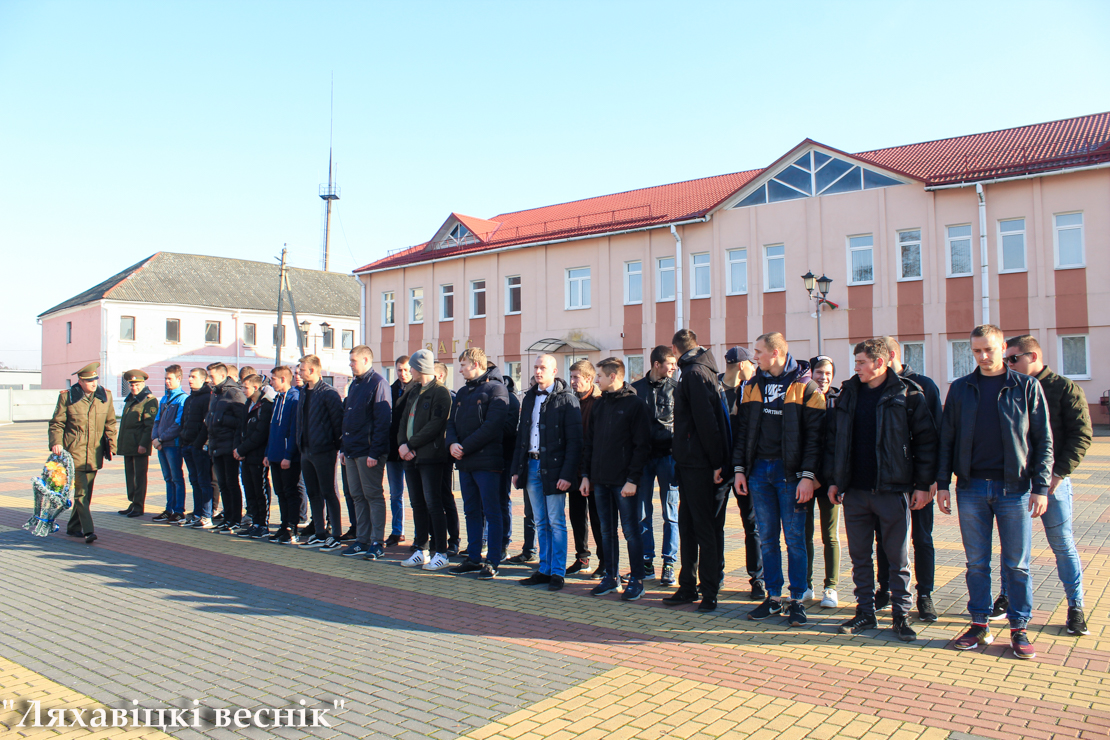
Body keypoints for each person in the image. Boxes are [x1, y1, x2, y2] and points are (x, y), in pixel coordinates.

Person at [937, 324, 1052, 660]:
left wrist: (1041, 487)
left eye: (989, 349)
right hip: (970, 487)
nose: (983, 356)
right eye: (976, 351)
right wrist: (942, 484)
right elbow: (947, 439)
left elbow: (1043, 441)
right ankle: (979, 624)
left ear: (1003, 348)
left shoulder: (1026, 387)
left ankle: (1019, 628)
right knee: (976, 563)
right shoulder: (961, 388)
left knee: (1017, 564)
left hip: (1014, 489)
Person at [826, 339, 937, 642]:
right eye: (856, 362)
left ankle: (901, 616)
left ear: (880, 362)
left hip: (893, 490)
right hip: (855, 491)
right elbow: (836, 440)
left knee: (897, 558)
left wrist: (922, 485)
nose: (856, 368)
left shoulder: (907, 393)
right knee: (860, 557)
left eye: (861, 362)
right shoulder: (849, 393)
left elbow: (926, 442)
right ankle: (865, 612)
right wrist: (835, 480)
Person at [1002, 335, 1093, 636]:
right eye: (1006, 359)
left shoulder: (1064, 388)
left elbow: (1081, 435)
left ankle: (1076, 606)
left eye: (1013, 359)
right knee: (1013, 547)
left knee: (1062, 544)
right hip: (1016, 483)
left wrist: (1058, 474)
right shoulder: (1011, 388)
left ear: (1033, 356)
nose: (1008, 364)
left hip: (1052, 483)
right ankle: (1006, 597)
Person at [734, 332, 825, 626]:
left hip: (791, 476)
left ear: (775, 353)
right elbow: (743, 430)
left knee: (795, 540)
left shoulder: (806, 387)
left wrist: (808, 476)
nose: (754, 357)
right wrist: (739, 469)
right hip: (759, 472)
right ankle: (773, 597)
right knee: (767, 538)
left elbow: (816, 438)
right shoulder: (752, 385)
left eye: (758, 352)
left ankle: (797, 599)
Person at [874, 336, 943, 621]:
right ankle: (884, 589)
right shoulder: (875, 386)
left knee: (922, 538)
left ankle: (924, 594)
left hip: (919, 480)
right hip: (887, 481)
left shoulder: (923, 386)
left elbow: (936, 436)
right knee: (883, 537)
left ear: (890, 356)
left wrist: (929, 481)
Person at [663, 329, 731, 613]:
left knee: (703, 529)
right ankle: (688, 586)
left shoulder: (693, 373)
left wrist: (716, 463)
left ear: (674, 349)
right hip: (691, 462)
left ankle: (709, 591)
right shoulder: (700, 370)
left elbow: (706, 421)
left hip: (699, 465)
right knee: (689, 526)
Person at [510, 354, 582, 592]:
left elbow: (575, 442)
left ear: (554, 371)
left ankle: (558, 572)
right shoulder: (530, 397)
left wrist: (567, 474)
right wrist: (516, 469)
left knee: (556, 521)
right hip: (531, 465)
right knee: (540, 521)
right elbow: (522, 435)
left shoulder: (567, 399)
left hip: (554, 468)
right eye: (535, 367)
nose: (538, 371)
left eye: (543, 367)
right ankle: (545, 568)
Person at [581, 358, 652, 601]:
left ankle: (637, 580)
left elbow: (642, 446)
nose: (596, 380)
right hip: (600, 480)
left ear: (613, 377)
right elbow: (589, 443)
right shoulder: (599, 405)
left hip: (624, 483)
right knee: (606, 531)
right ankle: (611, 577)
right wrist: (586, 476)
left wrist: (633, 479)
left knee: (631, 531)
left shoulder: (635, 405)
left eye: (599, 376)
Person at [447, 347, 510, 579]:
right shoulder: (463, 392)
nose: (460, 370)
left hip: (487, 462)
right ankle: (473, 557)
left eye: (463, 365)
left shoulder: (496, 389)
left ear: (475, 364)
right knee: (471, 510)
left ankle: (492, 560)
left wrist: (464, 447)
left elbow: (492, 426)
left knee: (492, 512)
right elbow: (451, 423)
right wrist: (452, 444)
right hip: (465, 462)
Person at [397, 349, 454, 571]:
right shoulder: (414, 391)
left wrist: (410, 444)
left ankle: (441, 552)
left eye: (412, 366)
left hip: (430, 457)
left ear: (420, 367)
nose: (409, 370)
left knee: (434, 504)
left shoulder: (440, 392)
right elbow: (404, 420)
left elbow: (435, 425)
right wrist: (403, 444)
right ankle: (421, 549)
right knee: (417, 504)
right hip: (410, 457)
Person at [50, 362, 117, 543]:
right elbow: (57, 423)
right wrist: (56, 443)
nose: (94, 383)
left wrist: (112, 445)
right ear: (80, 382)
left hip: (95, 453)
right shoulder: (68, 397)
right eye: (89, 381)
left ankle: (73, 527)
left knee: (87, 492)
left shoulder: (105, 397)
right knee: (81, 494)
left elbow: (110, 423)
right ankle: (88, 531)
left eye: (95, 379)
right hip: (75, 452)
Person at [631, 346, 680, 586]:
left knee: (670, 512)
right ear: (656, 364)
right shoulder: (635, 390)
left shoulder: (676, 390)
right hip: (643, 459)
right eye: (670, 363)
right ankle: (646, 562)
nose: (674, 367)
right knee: (642, 513)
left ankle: (669, 563)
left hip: (668, 457)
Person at [719, 345, 764, 600]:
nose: (754, 369)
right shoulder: (713, 389)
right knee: (715, 524)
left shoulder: (753, 390)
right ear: (742, 365)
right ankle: (715, 576)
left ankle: (757, 579)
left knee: (752, 525)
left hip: (746, 469)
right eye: (752, 365)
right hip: (719, 468)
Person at [341, 345, 393, 559]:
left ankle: (377, 542)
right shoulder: (355, 384)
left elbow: (383, 421)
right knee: (357, 495)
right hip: (352, 450)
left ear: (365, 360)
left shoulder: (378, 383)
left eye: (353, 360)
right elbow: (347, 417)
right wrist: (343, 448)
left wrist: (375, 452)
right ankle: (361, 540)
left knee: (373, 495)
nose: (350, 364)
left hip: (368, 451)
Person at [296, 354, 345, 552]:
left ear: (313, 370)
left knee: (328, 492)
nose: (299, 373)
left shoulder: (328, 393)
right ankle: (319, 532)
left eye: (302, 369)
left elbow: (338, 423)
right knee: (313, 493)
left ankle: (336, 535)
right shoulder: (303, 392)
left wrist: (335, 446)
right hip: (305, 450)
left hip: (324, 451)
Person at [805, 355, 841, 608]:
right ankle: (805, 585)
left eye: (828, 373)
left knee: (830, 535)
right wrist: (808, 475)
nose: (823, 377)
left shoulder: (839, 402)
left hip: (829, 482)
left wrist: (827, 478)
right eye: (819, 372)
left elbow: (838, 445)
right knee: (803, 534)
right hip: (805, 481)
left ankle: (831, 587)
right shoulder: (800, 398)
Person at [566, 359, 604, 577]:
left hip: (593, 472)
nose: (572, 381)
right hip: (574, 471)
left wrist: (588, 473)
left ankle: (605, 562)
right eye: (571, 377)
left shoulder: (597, 403)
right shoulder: (571, 402)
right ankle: (582, 557)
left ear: (589, 379)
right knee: (577, 517)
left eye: (576, 377)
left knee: (598, 519)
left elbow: (594, 441)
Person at [205, 363, 247, 533]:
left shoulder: (234, 393)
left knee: (231, 483)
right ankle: (227, 518)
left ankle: (235, 519)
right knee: (222, 484)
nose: (209, 379)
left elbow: (242, 420)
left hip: (229, 445)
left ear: (222, 376)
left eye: (212, 376)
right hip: (216, 444)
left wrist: (222, 420)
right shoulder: (216, 394)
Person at [264, 366, 304, 544]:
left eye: (273, 379)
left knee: (290, 491)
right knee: (280, 492)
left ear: (283, 379)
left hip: (288, 457)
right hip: (275, 454)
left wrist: (289, 455)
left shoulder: (294, 399)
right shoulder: (278, 399)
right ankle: (283, 524)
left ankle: (292, 527)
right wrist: (268, 452)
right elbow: (272, 428)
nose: (271, 382)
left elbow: (294, 430)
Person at [234, 374, 273, 539]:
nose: (243, 390)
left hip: (257, 455)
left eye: (245, 387)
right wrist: (238, 448)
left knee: (260, 490)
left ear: (255, 387)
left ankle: (263, 524)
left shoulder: (265, 405)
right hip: (246, 456)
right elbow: (241, 428)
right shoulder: (248, 404)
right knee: (249, 489)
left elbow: (260, 434)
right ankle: (255, 522)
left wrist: (242, 449)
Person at [117, 369, 159, 519]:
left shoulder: (148, 400)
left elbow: (149, 425)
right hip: (128, 444)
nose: (134, 387)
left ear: (143, 384)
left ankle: (139, 505)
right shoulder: (130, 399)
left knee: (139, 477)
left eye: (137, 385)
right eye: (131, 385)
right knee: (130, 475)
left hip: (139, 445)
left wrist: (143, 444)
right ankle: (133, 502)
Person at [151, 365, 188, 524]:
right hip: (162, 445)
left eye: (170, 378)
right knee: (168, 478)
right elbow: (157, 420)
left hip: (173, 445)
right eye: (165, 378)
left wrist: (161, 439)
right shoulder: (164, 399)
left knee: (176, 478)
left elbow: (178, 424)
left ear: (179, 379)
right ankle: (169, 509)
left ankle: (179, 511)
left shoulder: (182, 399)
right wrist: (154, 438)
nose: (167, 381)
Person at [179, 368, 214, 528]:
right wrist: (183, 440)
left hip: (199, 447)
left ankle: (206, 515)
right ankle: (197, 513)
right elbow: (184, 421)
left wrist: (197, 444)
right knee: (194, 481)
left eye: (193, 377)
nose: (190, 379)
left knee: (203, 481)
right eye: (189, 376)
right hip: (187, 445)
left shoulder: (207, 398)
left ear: (203, 379)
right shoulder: (189, 399)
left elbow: (206, 424)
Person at [434, 361, 462, 556]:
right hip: (427, 455)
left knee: (445, 497)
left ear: (441, 376)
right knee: (431, 498)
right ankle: (435, 537)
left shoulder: (450, 397)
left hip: (443, 456)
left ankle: (453, 539)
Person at [386, 355, 412, 547]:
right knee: (395, 494)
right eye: (399, 370)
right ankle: (397, 531)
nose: (403, 374)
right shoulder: (391, 389)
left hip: (410, 450)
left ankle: (420, 535)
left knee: (416, 496)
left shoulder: (417, 389)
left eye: (406, 370)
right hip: (392, 451)